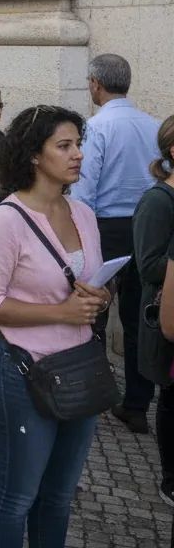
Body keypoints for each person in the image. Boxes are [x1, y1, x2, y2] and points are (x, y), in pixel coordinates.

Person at [0, 105, 109, 548]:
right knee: (17, 495)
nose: (78, 155)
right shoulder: (5, 222)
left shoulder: (82, 213)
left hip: (79, 364)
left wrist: (98, 297)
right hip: (22, 369)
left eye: (78, 145)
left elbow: (85, 283)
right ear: (34, 155)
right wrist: (60, 313)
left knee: (60, 495)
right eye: (64, 146)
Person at [69, 53, 160, 434]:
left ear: (95, 84)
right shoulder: (154, 126)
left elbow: (84, 190)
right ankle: (137, 403)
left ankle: (94, 391)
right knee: (141, 313)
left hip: (104, 227)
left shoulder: (95, 128)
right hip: (148, 225)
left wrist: (80, 234)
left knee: (94, 311)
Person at [133, 115, 174, 505]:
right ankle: (169, 477)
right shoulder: (158, 201)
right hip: (166, 314)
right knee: (172, 397)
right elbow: (148, 264)